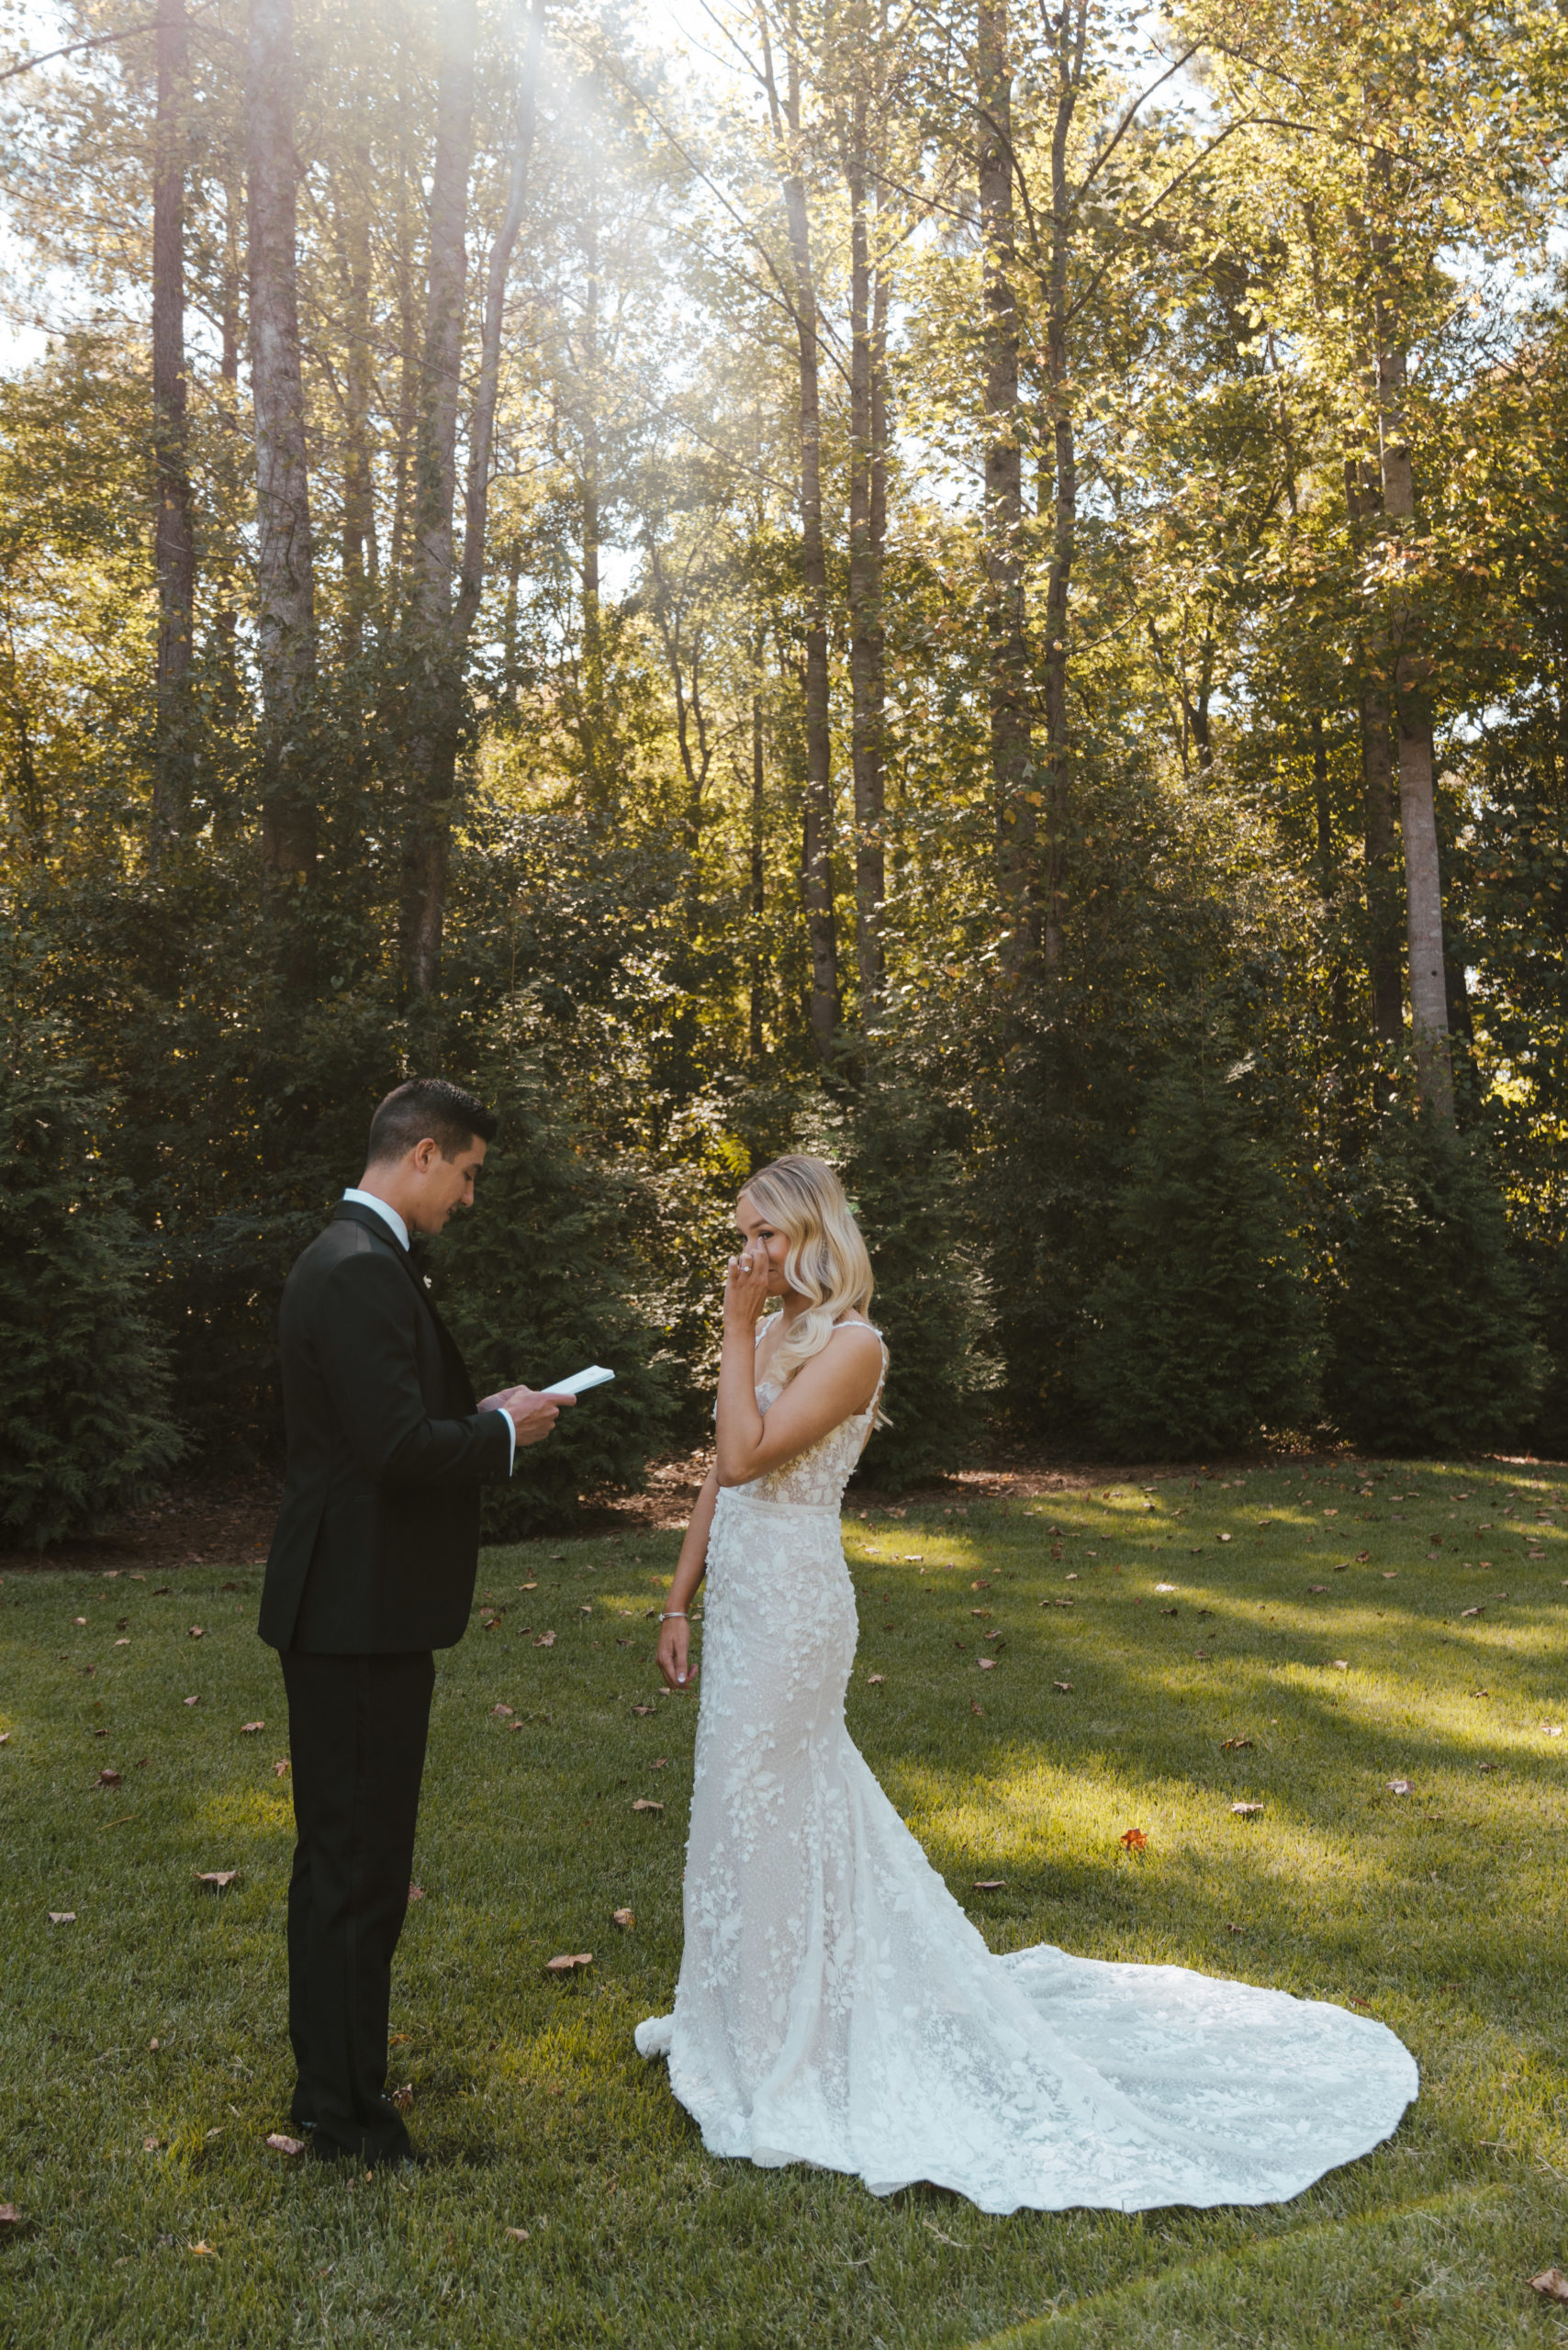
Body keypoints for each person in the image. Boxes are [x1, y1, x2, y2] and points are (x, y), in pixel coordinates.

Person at [636, 1152, 1418, 2214]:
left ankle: (794, 2040)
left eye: (766, 1235)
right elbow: (710, 1483)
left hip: (798, 1611)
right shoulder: (769, 1331)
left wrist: (730, 1335)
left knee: (775, 1800)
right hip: (741, 1599)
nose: (749, 1254)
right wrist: (678, 1598)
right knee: (744, 1808)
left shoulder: (853, 1345)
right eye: (742, 1234)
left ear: (815, 1233)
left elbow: (747, 1455)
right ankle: (749, 2013)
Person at [258, 1077, 573, 2165]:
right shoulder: (356, 1268)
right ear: (425, 1153)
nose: (470, 1197)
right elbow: (392, 1453)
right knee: (356, 1871)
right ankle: (346, 2120)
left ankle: (330, 2092)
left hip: (359, 1604)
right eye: (471, 1173)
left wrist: (477, 1416)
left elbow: (376, 1431)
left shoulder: (356, 1260)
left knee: (346, 1865)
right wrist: (503, 1438)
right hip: (355, 1611)